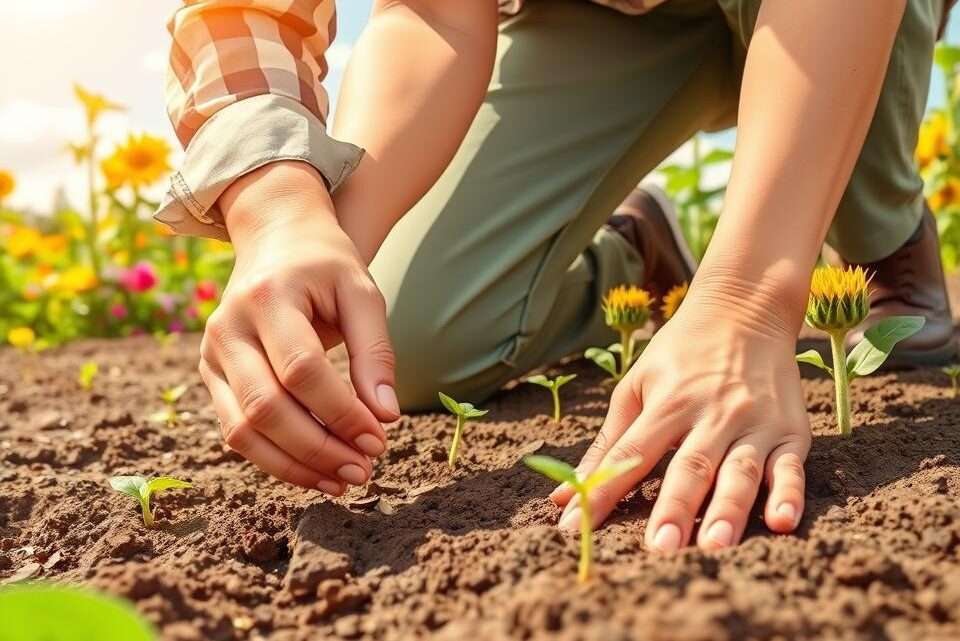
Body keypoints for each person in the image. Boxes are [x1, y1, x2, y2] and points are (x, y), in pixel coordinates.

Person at [156, 0, 956, 552]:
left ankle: (887, 241)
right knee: (414, 328)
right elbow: (428, 15)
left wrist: (747, 302)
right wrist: (297, 224)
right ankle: (636, 246)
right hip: (604, 20)